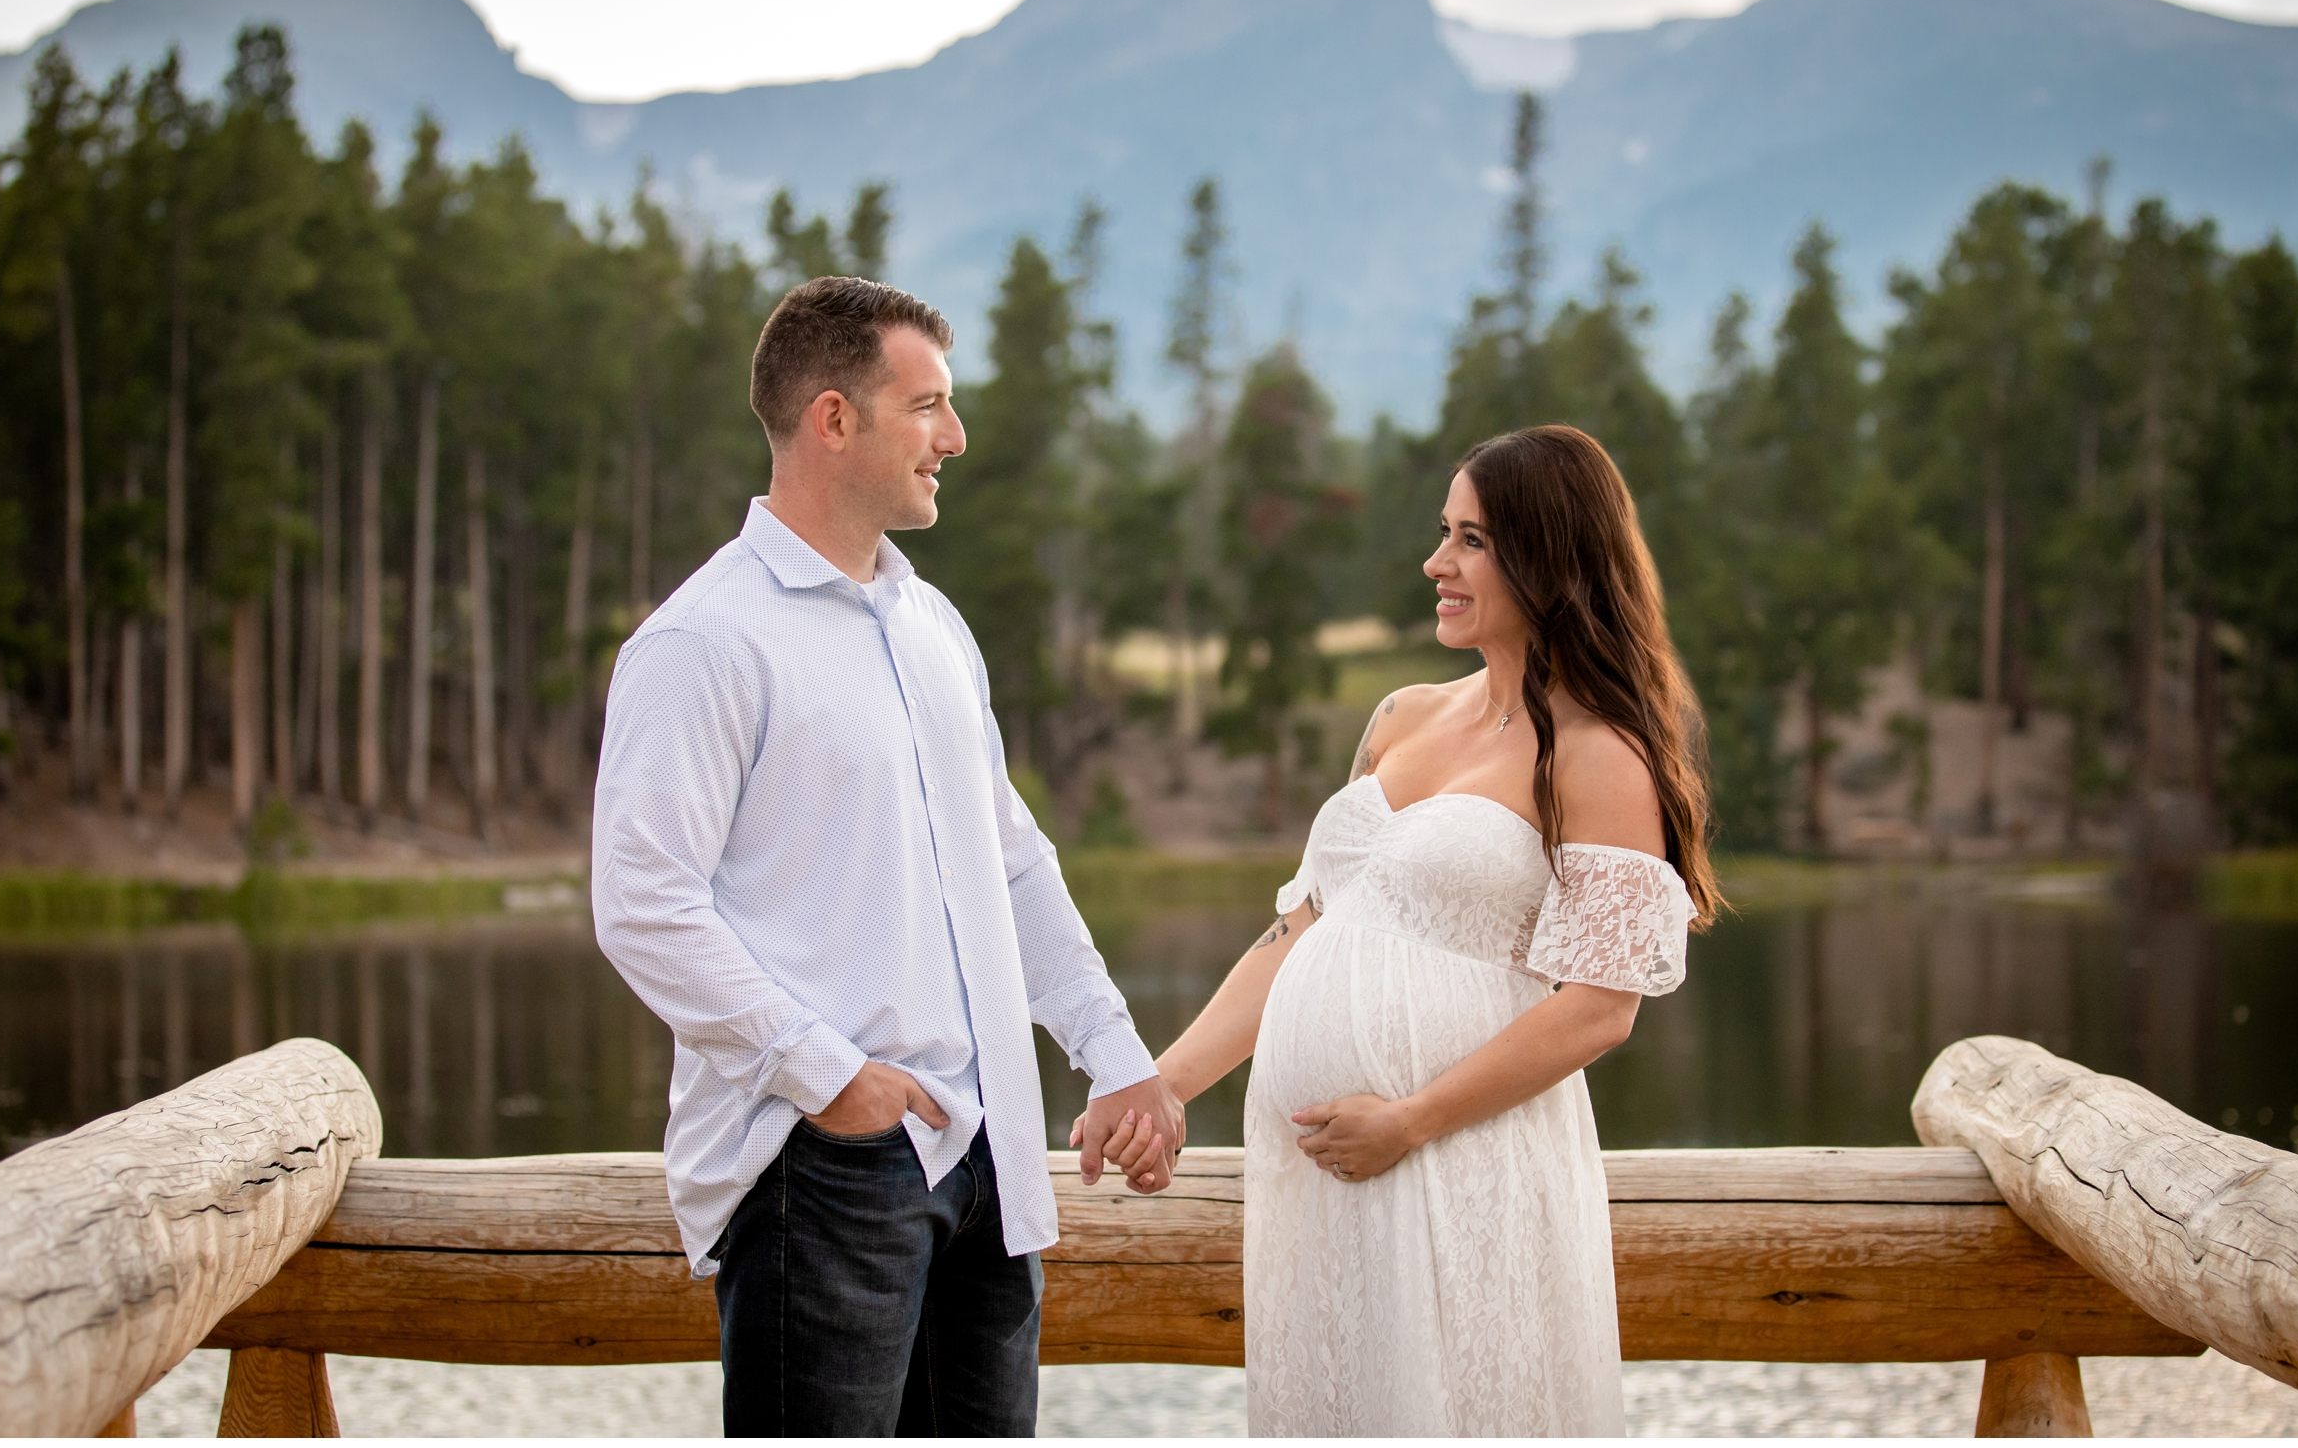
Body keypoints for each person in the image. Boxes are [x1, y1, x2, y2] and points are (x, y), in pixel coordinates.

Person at [592, 276, 1184, 1438]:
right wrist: (831, 1079)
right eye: (928, 407)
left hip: (984, 1155)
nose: (954, 438)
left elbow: (1010, 863)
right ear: (833, 419)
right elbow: (642, 903)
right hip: (829, 1165)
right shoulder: (703, 641)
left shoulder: (932, 625)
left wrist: (1112, 1050)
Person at [1118, 424, 1721, 1435]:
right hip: (1325, 1178)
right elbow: (1301, 928)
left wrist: (1413, 1118)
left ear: (1552, 556)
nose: (1437, 562)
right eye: (1446, 532)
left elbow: (1599, 1011)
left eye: (1472, 540)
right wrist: (1164, 1086)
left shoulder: (1599, 751)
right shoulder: (1400, 714)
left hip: (1457, 1161)